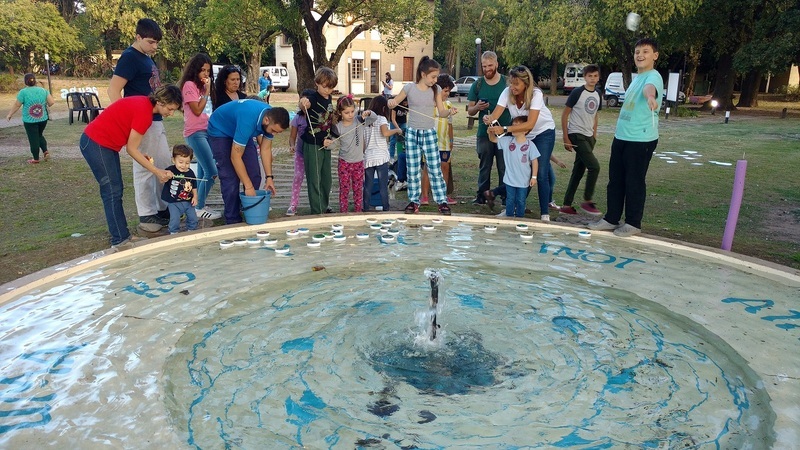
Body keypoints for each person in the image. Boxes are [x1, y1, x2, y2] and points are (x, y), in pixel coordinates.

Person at [80, 85, 182, 248]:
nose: (170, 114)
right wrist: (156, 171)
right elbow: (131, 149)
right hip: (96, 143)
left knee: (116, 189)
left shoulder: (144, 105)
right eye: (170, 109)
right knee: (112, 191)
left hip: (105, 145)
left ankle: (122, 236)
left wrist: (145, 157)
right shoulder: (145, 114)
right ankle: (119, 240)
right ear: (161, 102)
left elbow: (130, 140)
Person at [589, 38, 663, 237]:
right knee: (616, 181)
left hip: (641, 139)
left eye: (645, 52)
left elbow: (651, 89)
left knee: (634, 181)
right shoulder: (635, 78)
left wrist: (650, 97)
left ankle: (633, 222)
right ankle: (612, 219)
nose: (640, 55)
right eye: (637, 51)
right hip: (622, 137)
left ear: (655, 56)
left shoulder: (653, 77)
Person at [108, 18, 170, 233]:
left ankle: (163, 208)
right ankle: (147, 214)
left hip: (155, 119)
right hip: (140, 120)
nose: (155, 47)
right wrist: (125, 120)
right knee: (144, 167)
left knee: (162, 163)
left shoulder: (145, 57)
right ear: (138, 37)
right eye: (151, 42)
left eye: (157, 43)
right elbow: (113, 90)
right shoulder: (129, 57)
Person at [484, 65, 557, 221]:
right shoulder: (507, 93)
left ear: (526, 83)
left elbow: (530, 124)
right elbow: (495, 114)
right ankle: (514, 208)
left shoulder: (536, 94)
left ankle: (545, 213)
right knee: (520, 171)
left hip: (543, 132)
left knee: (541, 173)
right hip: (523, 134)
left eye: (516, 84)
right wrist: (489, 120)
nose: (512, 87)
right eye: (511, 83)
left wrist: (504, 128)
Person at [388, 56, 458, 215]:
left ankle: (442, 202)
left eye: (436, 77)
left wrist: (449, 112)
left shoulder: (436, 90)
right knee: (413, 169)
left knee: (435, 169)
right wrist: (390, 103)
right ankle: (413, 202)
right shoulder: (409, 88)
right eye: (433, 77)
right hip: (412, 133)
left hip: (429, 133)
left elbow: (441, 113)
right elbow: (393, 102)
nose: (435, 80)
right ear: (423, 74)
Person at [206, 99, 290, 224]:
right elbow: (235, 157)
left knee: (254, 173)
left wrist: (269, 178)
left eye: (278, 132)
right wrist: (248, 186)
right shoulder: (249, 120)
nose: (274, 134)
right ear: (266, 120)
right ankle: (232, 218)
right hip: (220, 131)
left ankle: (245, 206)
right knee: (230, 177)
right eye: (274, 131)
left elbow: (265, 149)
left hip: (241, 130)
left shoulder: (271, 117)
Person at [178, 53, 221, 221]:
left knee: (204, 173)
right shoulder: (189, 85)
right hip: (195, 133)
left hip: (206, 131)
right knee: (212, 172)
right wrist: (207, 91)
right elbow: (196, 110)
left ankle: (199, 204)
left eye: (208, 71)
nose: (205, 74)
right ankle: (198, 207)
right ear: (194, 70)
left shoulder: (202, 88)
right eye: (202, 70)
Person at [467, 51, 511, 206]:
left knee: (504, 166)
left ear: (497, 64)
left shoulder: (506, 83)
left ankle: (506, 196)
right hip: (484, 133)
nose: (487, 69)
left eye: (490, 65)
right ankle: (482, 196)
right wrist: (478, 107)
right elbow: (470, 110)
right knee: (484, 166)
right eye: (484, 66)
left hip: (504, 132)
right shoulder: (477, 84)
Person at [559, 64, 603, 217]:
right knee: (595, 167)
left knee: (578, 171)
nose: (592, 79)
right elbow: (565, 115)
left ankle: (566, 205)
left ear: (598, 78)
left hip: (589, 136)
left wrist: (594, 135)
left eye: (595, 76)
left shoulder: (598, 94)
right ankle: (587, 200)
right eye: (590, 76)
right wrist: (566, 137)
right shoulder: (577, 92)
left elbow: (595, 115)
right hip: (576, 134)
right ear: (585, 77)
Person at [298, 67, 338, 215]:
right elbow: (303, 103)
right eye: (325, 86)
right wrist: (303, 103)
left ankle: (324, 205)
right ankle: (317, 210)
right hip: (312, 144)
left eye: (331, 87)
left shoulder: (328, 98)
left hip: (326, 143)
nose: (327, 90)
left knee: (326, 179)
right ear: (317, 83)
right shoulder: (312, 97)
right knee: (314, 179)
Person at [488, 116, 540, 217]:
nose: (513, 127)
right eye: (513, 125)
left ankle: (520, 219)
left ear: (525, 130)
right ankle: (509, 217)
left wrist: (534, 177)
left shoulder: (530, 145)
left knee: (521, 201)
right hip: (509, 179)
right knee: (510, 200)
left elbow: (535, 161)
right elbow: (493, 139)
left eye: (517, 126)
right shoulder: (507, 140)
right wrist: (490, 131)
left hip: (523, 180)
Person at [324, 96, 365, 213]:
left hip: (358, 162)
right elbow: (334, 145)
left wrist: (369, 112)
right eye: (347, 112)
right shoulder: (338, 127)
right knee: (344, 189)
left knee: (358, 189)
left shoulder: (359, 120)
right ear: (340, 113)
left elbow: (373, 117)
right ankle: (344, 212)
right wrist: (328, 144)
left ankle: (358, 210)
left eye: (352, 111)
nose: (350, 115)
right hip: (344, 163)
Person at [360, 96, 402, 212]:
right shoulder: (381, 119)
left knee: (368, 185)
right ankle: (385, 208)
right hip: (381, 156)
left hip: (368, 156)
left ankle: (365, 208)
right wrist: (397, 130)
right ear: (384, 108)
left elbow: (363, 142)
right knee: (382, 185)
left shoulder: (366, 121)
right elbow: (385, 133)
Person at [6, 73, 55, 164]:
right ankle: (45, 151)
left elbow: (17, 105)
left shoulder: (23, 92)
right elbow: (51, 102)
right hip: (43, 119)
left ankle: (36, 159)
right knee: (39, 135)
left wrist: (10, 114)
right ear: (35, 81)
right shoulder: (43, 90)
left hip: (30, 120)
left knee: (33, 139)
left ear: (25, 82)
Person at [286, 89, 316, 216]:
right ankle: (293, 204)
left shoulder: (317, 117)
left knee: (315, 179)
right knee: (298, 177)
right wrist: (292, 145)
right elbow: (292, 137)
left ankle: (319, 203)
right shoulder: (297, 118)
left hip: (314, 153)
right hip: (300, 153)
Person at [161, 144, 199, 234]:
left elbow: (194, 186)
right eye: (181, 162)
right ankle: (173, 233)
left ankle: (191, 230)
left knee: (193, 218)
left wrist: (195, 197)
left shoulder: (190, 173)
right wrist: (167, 176)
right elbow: (162, 179)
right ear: (174, 160)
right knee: (175, 219)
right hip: (173, 202)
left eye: (187, 163)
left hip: (188, 201)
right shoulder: (169, 170)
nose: (184, 165)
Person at [391, 97, 409, 190]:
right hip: (395, 122)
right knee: (393, 140)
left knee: (403, 140)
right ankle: (391, 157)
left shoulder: (408, 105)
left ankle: (401, 153)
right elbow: (393, 119)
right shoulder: (396, 106)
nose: (406, 104)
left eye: (407, 102)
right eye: (405, 102)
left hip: (403, 123)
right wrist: (397, 128)